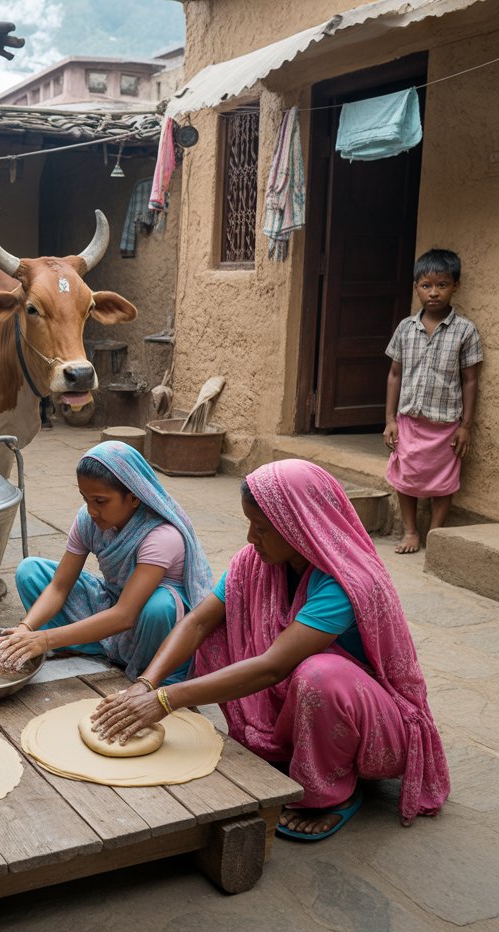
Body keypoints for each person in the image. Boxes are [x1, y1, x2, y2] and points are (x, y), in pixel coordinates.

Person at [92, 459, 450, 841]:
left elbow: (272, 667)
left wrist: (167, 700)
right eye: (250, 524)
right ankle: (280, 747)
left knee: (319, 675)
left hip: (374, 726)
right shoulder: (255, 564)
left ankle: (332, 795)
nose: (251, 537)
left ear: (299, 526)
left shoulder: (345, 584)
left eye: (261, 528)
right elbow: (198, 622)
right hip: (302, 704)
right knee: (220, 628)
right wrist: (147, 684)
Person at [0, 441, 212, 681]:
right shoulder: (88, 520)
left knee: (160, 607)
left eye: (100, 501)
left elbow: (125, 615)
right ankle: (98, 644)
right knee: (31, 571)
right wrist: (24, 629)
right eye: (85, 499)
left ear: (133, 498)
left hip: (149, 622)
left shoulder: (160, 536)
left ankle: (149, 667)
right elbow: (59, 587)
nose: (91, 510)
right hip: (114, 601)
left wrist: (45, 639)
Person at [384, 248, 482, 553]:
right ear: (416, 287)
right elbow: (395, 374)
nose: (434, 292)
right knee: (405, 474)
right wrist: (390, 419)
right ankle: (411, 531)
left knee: (444, 479)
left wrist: (466, 426)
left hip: (446, 424)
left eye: (442, 285)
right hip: (409, 421)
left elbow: (470, 380)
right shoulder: (405, 328)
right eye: (426, 286)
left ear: (455, 286)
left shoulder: (465, 331)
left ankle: (436, 534)